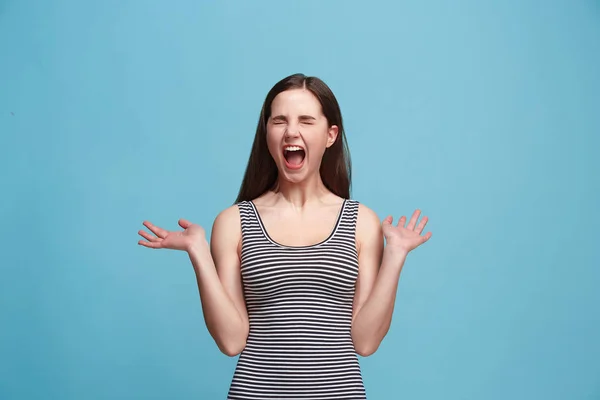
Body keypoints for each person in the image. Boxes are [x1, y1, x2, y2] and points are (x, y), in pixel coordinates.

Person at [137, 73, 432, 399]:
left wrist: (396, 255)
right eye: (280, 121)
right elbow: (232, 341)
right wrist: (198, 251)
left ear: (330, 134)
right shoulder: (234, 222)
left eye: (306, 120)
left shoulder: (361, 222)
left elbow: (365, 342)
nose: (292, 131)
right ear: (267, 134)